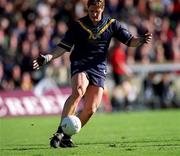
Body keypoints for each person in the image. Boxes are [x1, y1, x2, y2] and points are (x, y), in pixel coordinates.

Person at [33, 0, 152, 148]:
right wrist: (48, 57)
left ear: (102, 9)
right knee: (78, 91)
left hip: (99, 67)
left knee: (91, 109)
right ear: (87, 9)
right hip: (80, 63)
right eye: (91, 11)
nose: (94, 14)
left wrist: (141, 40)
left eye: (97, 11)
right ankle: (59, 132)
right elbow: (63, 47)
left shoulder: (112, 24)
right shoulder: (78, 25)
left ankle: (66, 137)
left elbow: (130, 41)